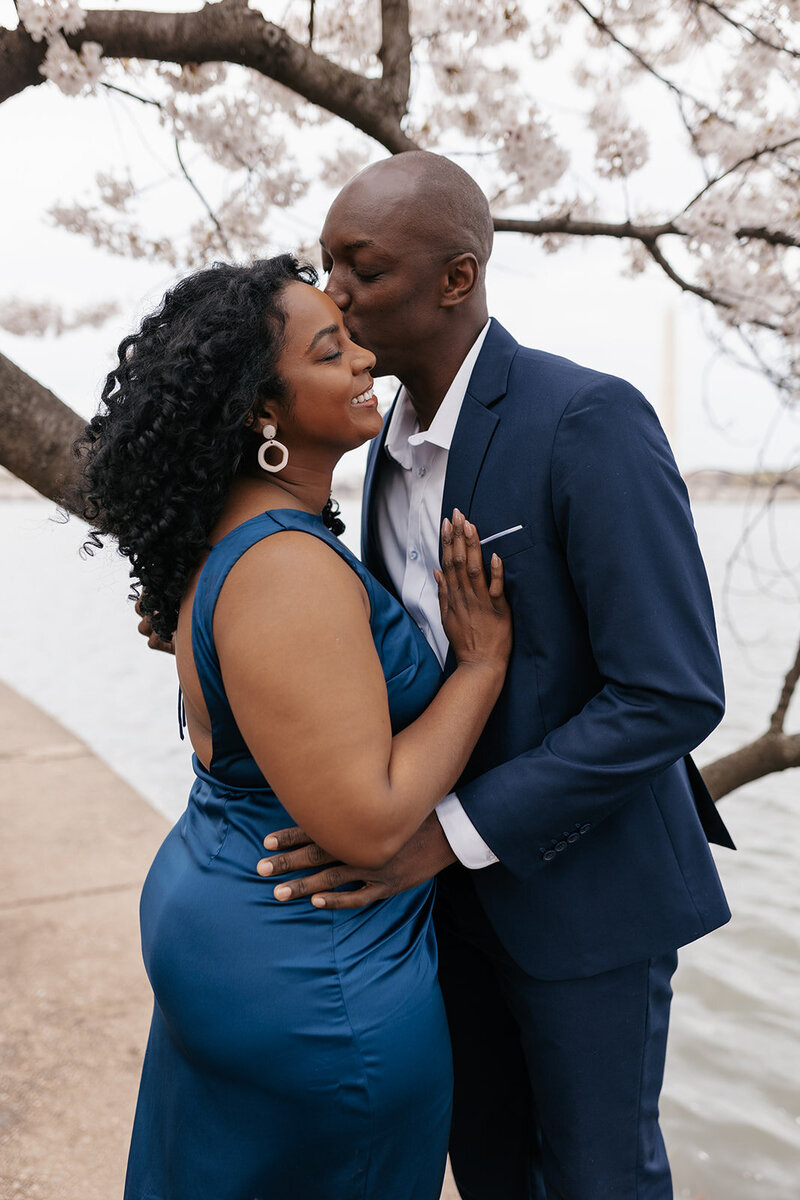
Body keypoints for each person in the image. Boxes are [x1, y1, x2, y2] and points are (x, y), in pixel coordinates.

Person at [259, 152, 735, 1200]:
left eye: (362, 269)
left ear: (454, 280)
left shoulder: (585, 419)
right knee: (483, 1170)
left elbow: (671, 690)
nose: (331, 292)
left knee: (596, 1179)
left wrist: (442, 836)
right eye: (325, 264)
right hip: (434, 910)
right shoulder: (375, 453)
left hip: (585, 899)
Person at [77, 254, 513, 1200]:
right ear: (257, 411)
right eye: (331, 352)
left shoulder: (240, 535)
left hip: (238, 926)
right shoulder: (286, 565)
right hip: (313, 979)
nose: (365, 361)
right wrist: (479, 666)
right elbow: (366, 824)